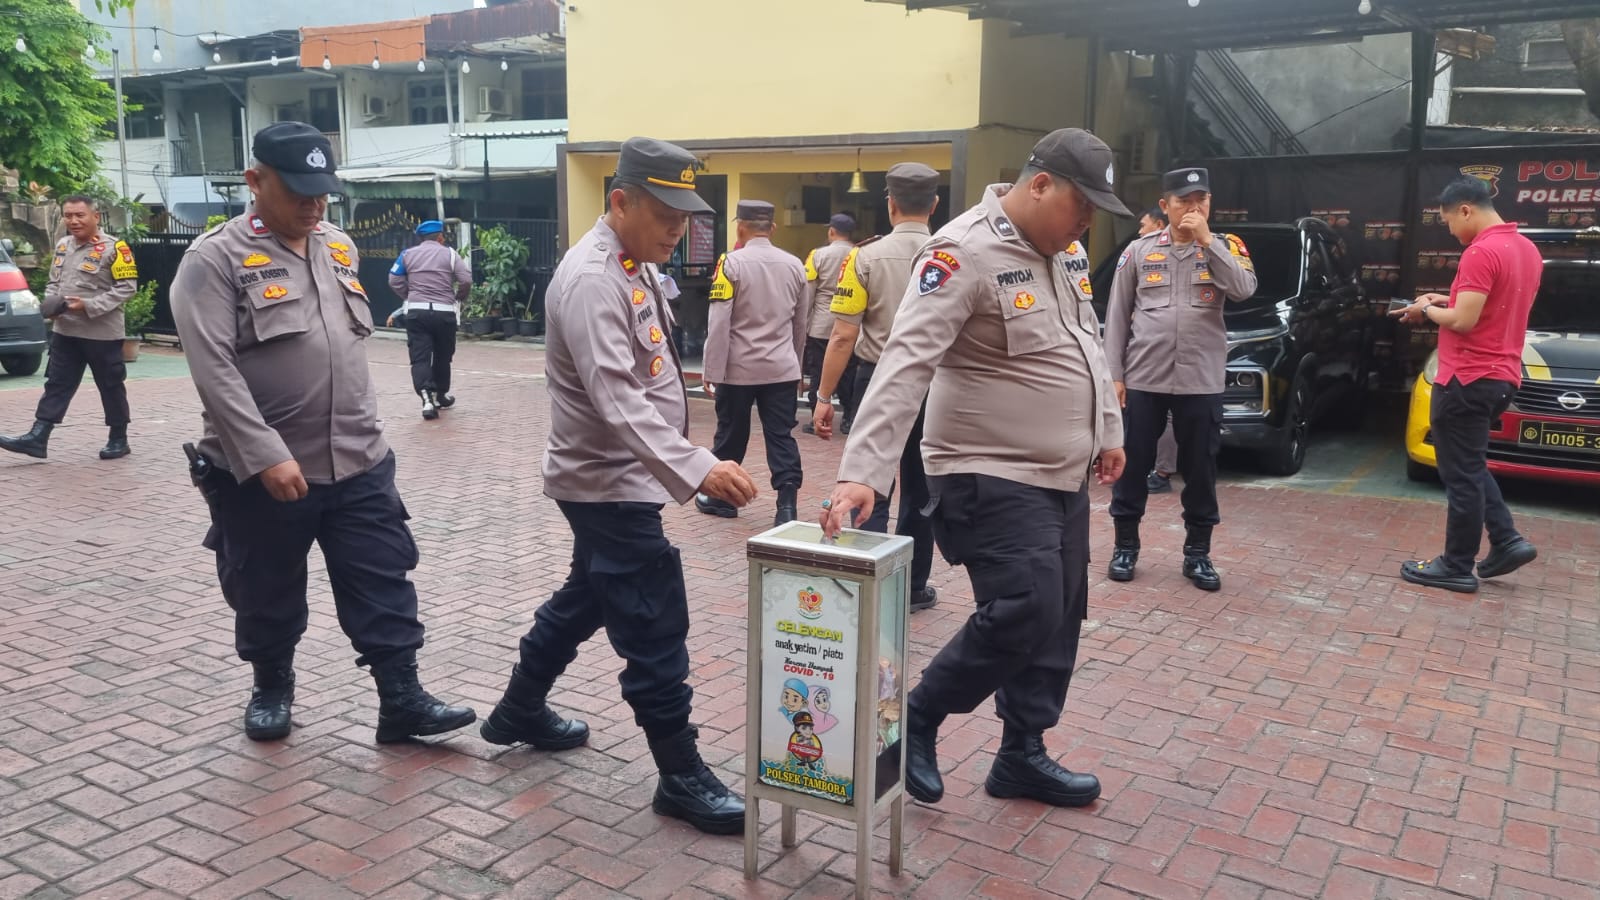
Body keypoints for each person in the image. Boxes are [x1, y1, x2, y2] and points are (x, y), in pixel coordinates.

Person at [822, 128, 1129, 808]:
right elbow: (906, 362)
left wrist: (1108, 428)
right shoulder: (961, 251)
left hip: (1063, 473)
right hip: (984, 469)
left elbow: (1088, 343)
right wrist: (864, 473)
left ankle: (1022, 753)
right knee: (1028, 603)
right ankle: (917, 721)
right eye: (1081, 205)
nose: (1086, 223)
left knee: (1060, 615)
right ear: (1040, 183)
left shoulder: (1066, 253)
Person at [480, 136, 757, 835]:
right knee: (651, 614)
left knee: (588, 597)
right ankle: (680, 775)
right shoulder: (593, 278)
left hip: (622, 476)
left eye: (685, 215)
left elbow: (647, 376)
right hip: (606, 480)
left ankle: (518, 709)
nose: (679, 228)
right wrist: (698, 465)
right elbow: (615, 395)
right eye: (665, 213)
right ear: (620, 201)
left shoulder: (632, 265)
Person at [169, 122, 475, 744]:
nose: (315, 204)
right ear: (255, 181)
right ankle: (271, 686)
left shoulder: (337, 246)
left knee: (383, 576)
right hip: (264, 471)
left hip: (360, 458)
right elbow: (213, 369)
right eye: (299, 190)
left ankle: (402, 699)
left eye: (323, 192)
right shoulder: (213, 260)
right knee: (265, 587)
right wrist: (262, 453)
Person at [1102, 167, 1258, 592]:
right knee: (1131, 465)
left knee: (1201, 469)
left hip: (1201, 381)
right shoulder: (1138, 251)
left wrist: (1210, 243)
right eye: (1185, 201)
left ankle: (1198, 555)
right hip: (1144, 377)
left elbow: (1244, 289)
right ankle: (1126, 548)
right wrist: (1114, 375)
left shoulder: (1227, 247)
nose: (1193, 208)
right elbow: (1116, 316)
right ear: (1165, 205)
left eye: (1201, 200)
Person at [1392, 177, 1541, 592]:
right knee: (1470, 467)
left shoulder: (1481, 252)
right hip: (1501, 376)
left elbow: (1464, 320)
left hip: (1466, 377)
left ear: (1465, 210)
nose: (1451, 233)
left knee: (1459, 475)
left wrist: (1426, 309)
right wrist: (1446, 299)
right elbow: (1494, 305)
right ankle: (1507, 540)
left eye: (1448, 223)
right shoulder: (1526, 250)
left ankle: (1456, 564)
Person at [813, 162, 944, 613]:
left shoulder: (863, 258)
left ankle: (868, 574)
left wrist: (824, 395)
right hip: (934, 384)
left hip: (877, 379)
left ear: (889, 204)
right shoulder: (954, 254)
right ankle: (911, 586)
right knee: (922, 489)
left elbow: (843, 334)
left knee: (871, 478)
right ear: (934, 205)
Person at [696, 199, 809, 526]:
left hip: (738, 370)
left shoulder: (730, 264)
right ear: (772, 229)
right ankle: (786, 506)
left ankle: (722, 500)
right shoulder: (795, 266)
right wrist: (796, 367)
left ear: (739, 227)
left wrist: (711, 370)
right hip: (781, 369)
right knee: (781, 436)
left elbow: (719, 323)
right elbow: (799, 325)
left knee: (731, 433)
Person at [0, 196, 138, 461]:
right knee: (57, 384)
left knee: (110, 385)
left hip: (102, 333)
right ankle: (37, 437)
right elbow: (55, 282)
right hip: (66, 331)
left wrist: (88, 305)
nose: (73, 221)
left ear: (95, 217)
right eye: (68, 216)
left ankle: (118, 439)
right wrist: (51, 303)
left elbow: (126, 288)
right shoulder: (63, 245)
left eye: (80, 215)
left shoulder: (116, 249)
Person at [386, 219, 472, 419]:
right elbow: (466, 280)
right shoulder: (451, 254)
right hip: (444, 312)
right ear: (441, 237)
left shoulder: (407, 255)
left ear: (421, 238)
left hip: (417, 312)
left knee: (420, 356)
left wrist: (409, 295)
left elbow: (393, 279)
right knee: (443, 354)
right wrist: (458, 297)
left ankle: (426, 398)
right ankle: (441, 394)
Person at [1135, 206, 1181, 495]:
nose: (1140, 231)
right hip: (1145, 358)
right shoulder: (1138, 255)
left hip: (1175, 358)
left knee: (1169, 418)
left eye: (1144, 224)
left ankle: (1162, 472)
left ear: (1160, 224)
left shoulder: (1201, 251)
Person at [800, 212, 857, 429]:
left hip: (821, 327)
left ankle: (818, 418)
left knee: (819, 372)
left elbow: (809, 294)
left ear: (831, 231)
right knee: (848, 372)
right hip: (850, 324)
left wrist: (804, 325)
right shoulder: (859, 253)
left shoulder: (817, 255)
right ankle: (848, 418)